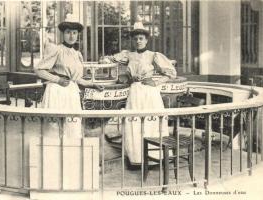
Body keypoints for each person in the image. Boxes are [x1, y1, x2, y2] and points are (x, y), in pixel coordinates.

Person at [103, 16, 177, 167]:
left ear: (146, 40)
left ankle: (156, 158)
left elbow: (171, 72)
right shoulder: (128, 55)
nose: (138, 41)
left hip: (150, 93)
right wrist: (105, 60)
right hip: (135, 92)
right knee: (134, 123)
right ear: (133, 40)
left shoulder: (153, 55)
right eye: (136, 38)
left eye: (141, 38)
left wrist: (155, 81)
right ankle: (136, 158)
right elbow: (109, 60)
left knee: (151, 123)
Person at [34, 14, 103, 138]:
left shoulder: (76, 54)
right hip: (57, 91)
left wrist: (92, 84)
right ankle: (53, 156)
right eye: (68, 32)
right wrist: (58, 79)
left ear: (78, 35)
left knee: (73, 124)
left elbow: (75, 78)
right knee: (55, 127)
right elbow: (39, 70)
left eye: (75, 33)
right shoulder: (56, 49)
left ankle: (70, 156)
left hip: (71, 92)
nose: (71, 36)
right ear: (63, 34)